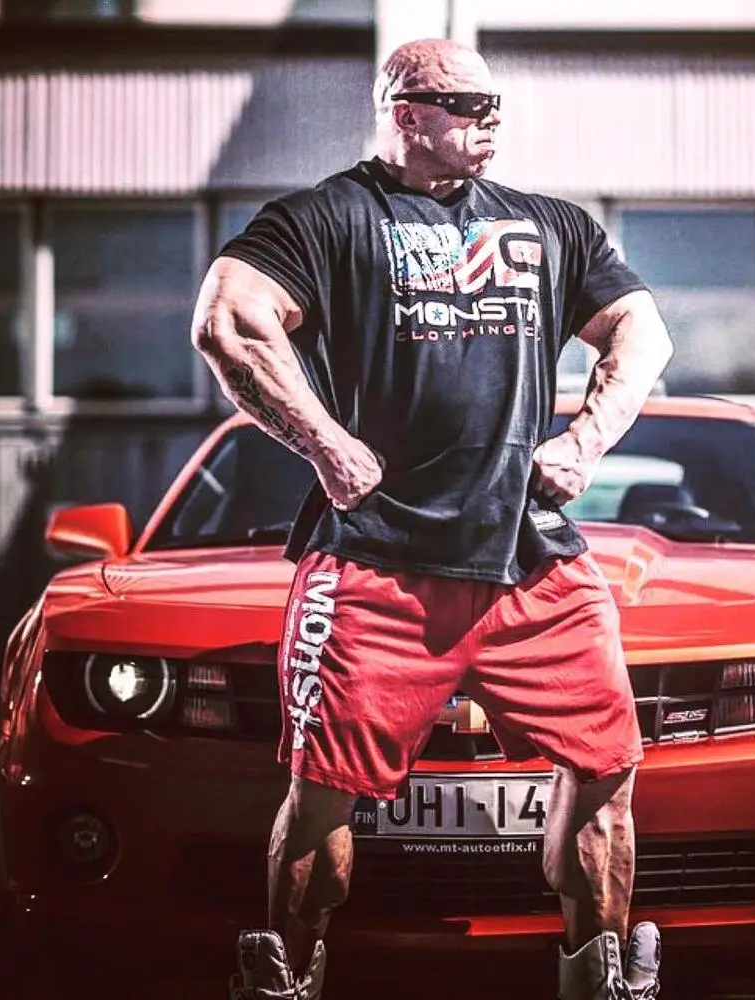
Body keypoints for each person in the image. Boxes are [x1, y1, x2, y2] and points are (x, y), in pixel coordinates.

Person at [191, 37, 673, 1000]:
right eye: (468, 104)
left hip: (534, 562)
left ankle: (600, 978)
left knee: (609, 769)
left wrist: (584, 443)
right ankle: (288, 977)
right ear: (407, 112)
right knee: (321, 796)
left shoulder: (550, 225)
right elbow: (229, 317)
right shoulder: (325, 219)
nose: (492, 119)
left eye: (497, 104)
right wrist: (328, 446)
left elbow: (643, 330)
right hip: (378, 564)